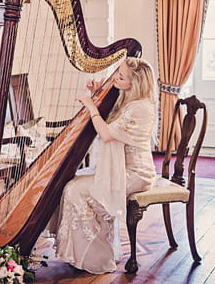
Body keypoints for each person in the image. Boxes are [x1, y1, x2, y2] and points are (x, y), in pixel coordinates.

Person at [53, 57, 157, 274]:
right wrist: (97, 95)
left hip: (135, 174)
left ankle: (95, 257)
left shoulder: (140, 108)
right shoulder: (126, 98)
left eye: (121, 76)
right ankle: (84, 253)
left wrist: (91, 106)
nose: (115, 78)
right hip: (120, 169)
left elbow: (107, 133)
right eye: (116, 73)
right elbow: (109, 121)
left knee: (75, 189)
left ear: (135, 83)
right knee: (73, 181)